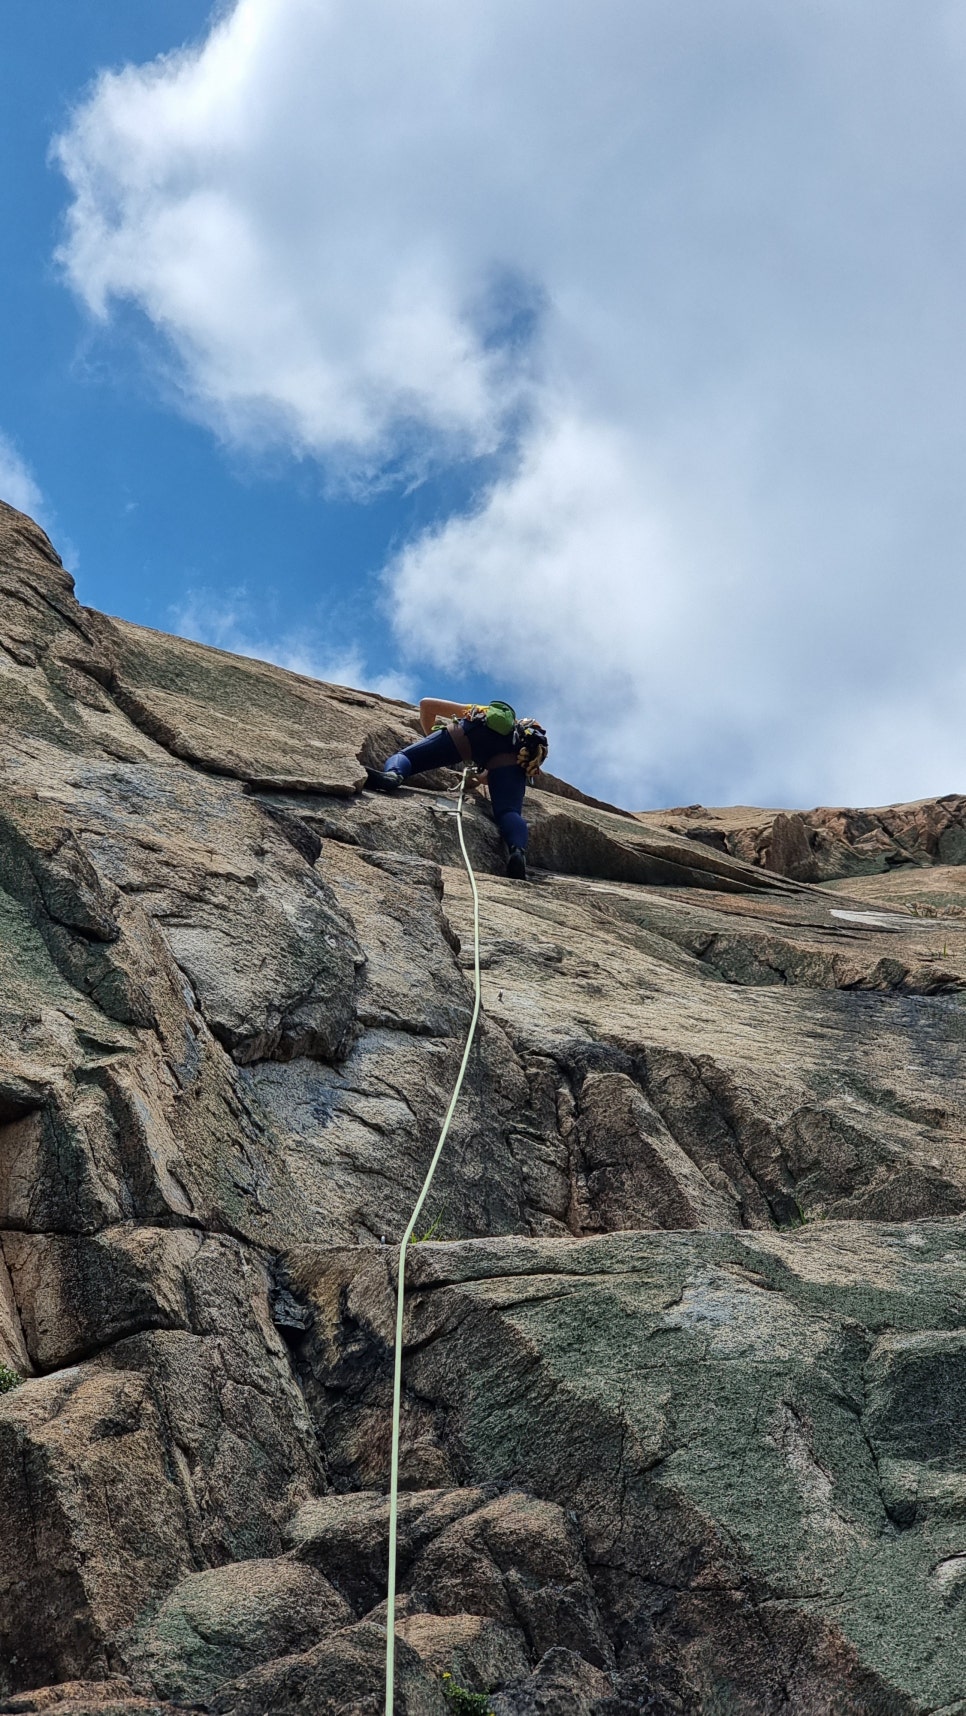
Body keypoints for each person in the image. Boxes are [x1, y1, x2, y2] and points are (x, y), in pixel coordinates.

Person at [366, 697, 548, 881]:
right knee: (509, 811)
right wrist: (479, 775)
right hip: (510, 760)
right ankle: (517, 851)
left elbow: (426, 705)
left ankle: (392, 775)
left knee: (408, 757)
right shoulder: (521, 746)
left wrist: (433, 741)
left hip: (469, 735)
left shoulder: (482, 712)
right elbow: (489, 777)